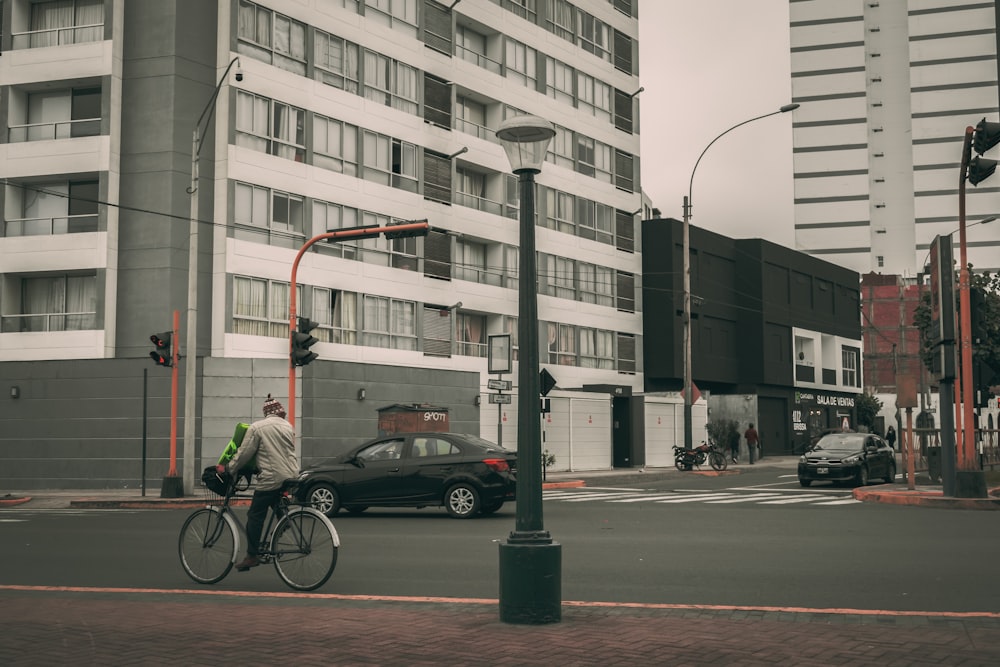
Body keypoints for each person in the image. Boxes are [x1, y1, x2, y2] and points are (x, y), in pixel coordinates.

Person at [218, 394, 299, 572]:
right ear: (279, 413)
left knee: (255, 515)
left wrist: (229, 468)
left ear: (266, 413)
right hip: (292, 474)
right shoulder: (287, 426)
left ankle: (252, 556)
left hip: (272, 476)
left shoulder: (257, 428)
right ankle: (283, 518)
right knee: (273, 495)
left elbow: (244, 453)